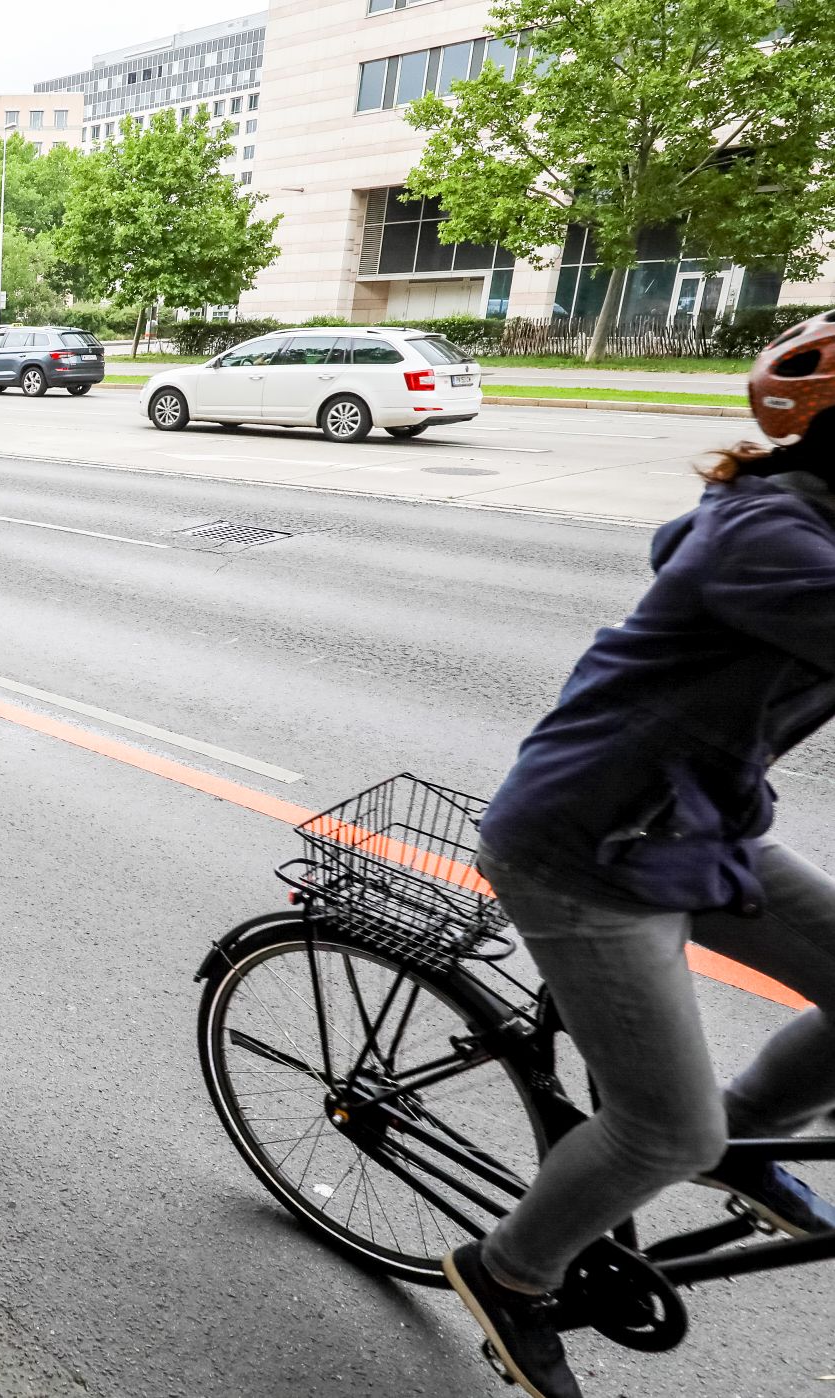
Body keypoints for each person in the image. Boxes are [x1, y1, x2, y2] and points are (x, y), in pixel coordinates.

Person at [448, 312, 835, 1398]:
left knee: (718, 1119)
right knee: (662, 1126)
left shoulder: (805, 525)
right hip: (584, 848)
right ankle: (510, 1274)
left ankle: (746, 1142)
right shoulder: (768, 543)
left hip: (695, 824)